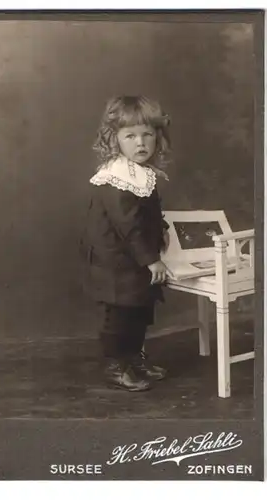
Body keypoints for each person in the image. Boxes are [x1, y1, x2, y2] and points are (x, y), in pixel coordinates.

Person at [80, 95, 172, 392]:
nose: (140, 143)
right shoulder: (115, 177)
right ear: (114, 139)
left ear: (157, 137)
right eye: (130, 136)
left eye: (147, 134)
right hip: (116, 262)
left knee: (139, 313)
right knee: (119, 316)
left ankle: (134, 358)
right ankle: (116, 366)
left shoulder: (141, 174)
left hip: (134, 260)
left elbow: (145, 216)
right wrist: (151, 258)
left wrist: (163, 230)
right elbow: (128, 225)